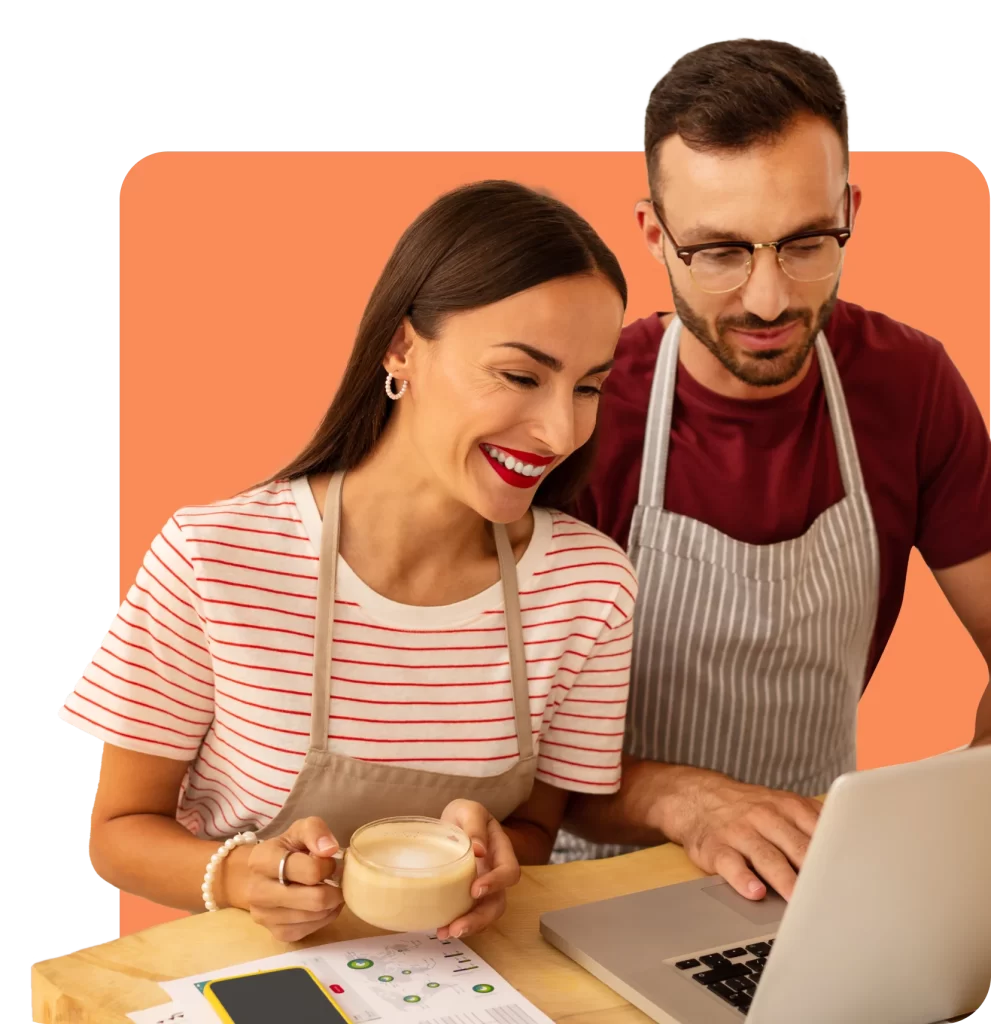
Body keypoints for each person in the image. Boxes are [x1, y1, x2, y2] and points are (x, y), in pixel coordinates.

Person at [61, 180, 637, 944]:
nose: (560, 431)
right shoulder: (215, 558)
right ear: (401, 348)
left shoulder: (589, 588)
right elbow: (116, 834)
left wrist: (497, 861)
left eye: (588, 386)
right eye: (521, 376)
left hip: (460, 978)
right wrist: (235, 876)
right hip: (249, 975)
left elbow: (533, 829)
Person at [554, 36, 991, 900]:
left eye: (804, 243)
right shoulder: (578, 408)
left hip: (813, 883)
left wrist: (963, 804)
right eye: (718, 251)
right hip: (593, 890)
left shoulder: (909, 385)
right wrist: (682, 799)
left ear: (849, 210)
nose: (768, 299)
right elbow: (491, 748)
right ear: (654, 234)